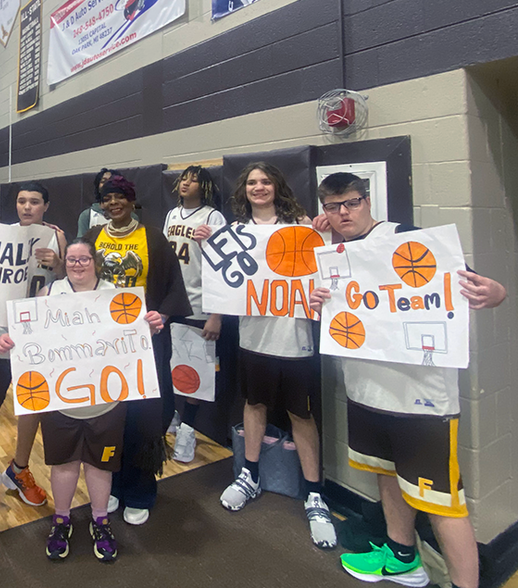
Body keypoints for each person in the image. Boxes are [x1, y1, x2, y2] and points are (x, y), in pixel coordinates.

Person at [308, 173, 507, 588]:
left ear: (367, 200)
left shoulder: (406, 238)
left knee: (443, 502)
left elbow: (475, 285)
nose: (343, 212)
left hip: (421, 400)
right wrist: (319, 303)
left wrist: (496, 291)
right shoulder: (335, 254)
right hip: (365, 391)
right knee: (386, 474)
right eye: (332, 206)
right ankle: (402, 558)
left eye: (351, 202)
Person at [0, 238, 166, 562]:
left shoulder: (117, 297)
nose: (77, 264)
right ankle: (62, 519)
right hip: (62, 401)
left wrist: (151, 326)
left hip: (106, 402)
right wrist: (9, 341)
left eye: (83, 259)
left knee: (100, 465)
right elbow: (27, 338)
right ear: (64, 263)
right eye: (71, 259)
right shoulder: (49, 296)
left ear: (95, 262)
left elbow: (137, 336)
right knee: (64, 464)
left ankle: (100, 520)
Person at [216, 162, 336, 549]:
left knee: (301, 413)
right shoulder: (234, 234)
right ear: (243, 190)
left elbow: (330, 267)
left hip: (296, 338)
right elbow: (221, 280)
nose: (258, 187)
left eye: (265, 181)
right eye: (251, 182)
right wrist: (207, 240)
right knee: (254, 404)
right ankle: (249, 474)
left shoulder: (300, 226)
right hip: (253, 337)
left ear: (276, 186)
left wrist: (326, 233)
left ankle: (315, 494)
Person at [83, 175, 190, 525]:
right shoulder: (92, 238)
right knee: (106, 418)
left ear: (131, 200)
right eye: (107, 199)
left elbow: (174, 286)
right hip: (103, 344)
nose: (113, 203)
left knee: (142, 418)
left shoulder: (154, 239)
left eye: (119, 197)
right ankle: (110, 486)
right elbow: (75, 279)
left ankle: (140, 490)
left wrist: (166, 313)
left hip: (145, 343)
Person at [0, 182, 66, 524]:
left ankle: (20, 469)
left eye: (35, 201)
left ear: (46, 205)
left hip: (36, 335)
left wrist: (59, 263)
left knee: (31, 403)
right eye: (22, 201)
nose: (27, 207)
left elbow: (67, 282)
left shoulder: (55, 237)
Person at [163, 166, 226, 463]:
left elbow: (225, 268)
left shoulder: (213, 217)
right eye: (183, 179)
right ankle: (176, 417)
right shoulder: (172, 214)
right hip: (172, 302)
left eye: (193, 179)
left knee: (195, 374)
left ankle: (188, 430)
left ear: (205, 186)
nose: (186, 183)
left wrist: (217, 314)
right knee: (171, 366)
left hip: (201, 304)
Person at [76, 168, 139, 237]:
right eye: (104, 181)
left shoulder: (131, 216)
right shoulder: (87, 215)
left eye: (111, 180)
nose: (113, 202)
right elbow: (81, 242)